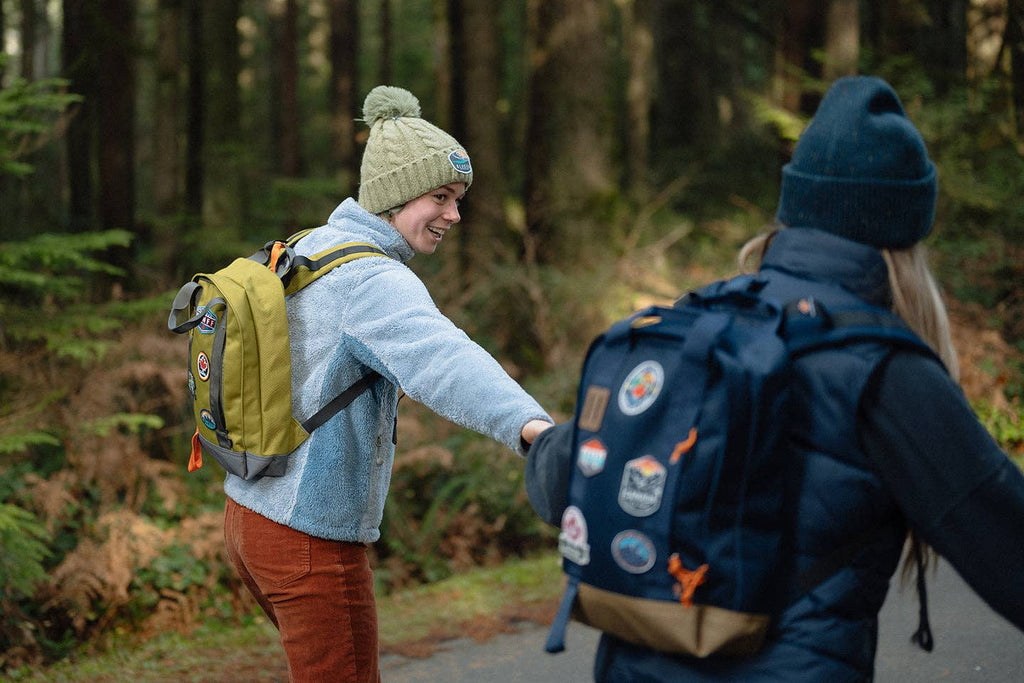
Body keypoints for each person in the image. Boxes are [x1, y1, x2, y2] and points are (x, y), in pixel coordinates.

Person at [525, 75, 1024, 681]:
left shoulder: (696, 325)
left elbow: (557, 484)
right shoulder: (886, 371)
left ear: (793, 209)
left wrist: (538, 436)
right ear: (904, 230)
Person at [222, 85, 552, 682]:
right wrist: (532, 428)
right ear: (395, 194)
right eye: (441, 197)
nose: (454, 214)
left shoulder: (309, 247)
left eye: (458, 199)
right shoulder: (373, 280)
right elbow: (445, 360)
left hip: (249, 514)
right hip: (309, 536)